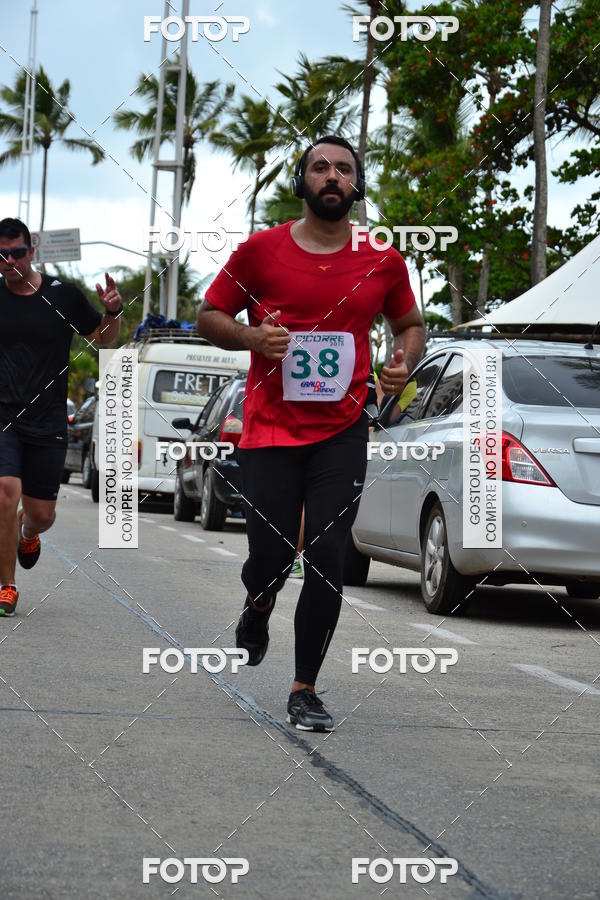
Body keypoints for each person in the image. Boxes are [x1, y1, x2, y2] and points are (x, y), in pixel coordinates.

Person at [196, 136, 425, 731]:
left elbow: (410, 324)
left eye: (344, 169)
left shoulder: (382, 258)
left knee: (326, 556)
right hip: (271, 428)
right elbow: (209, 315)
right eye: (320, 167)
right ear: (302, 181)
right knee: (269, 557)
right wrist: (253, 339)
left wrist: (400, 363)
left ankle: (305, 689)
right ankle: (259, 601)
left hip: (343, 430)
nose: (332, 176)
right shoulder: (260, 252)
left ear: (356, 185)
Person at [0, 217, 122, 617]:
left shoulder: (62, 296)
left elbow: (104, 339)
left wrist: (114, 311)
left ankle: (27, 532)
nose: (11, 261)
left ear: (31, 250)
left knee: (41, 514)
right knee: (4, 492)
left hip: (49, 418)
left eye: (17, 252)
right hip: (4, 416)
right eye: (2, 255)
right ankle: (7, 585)